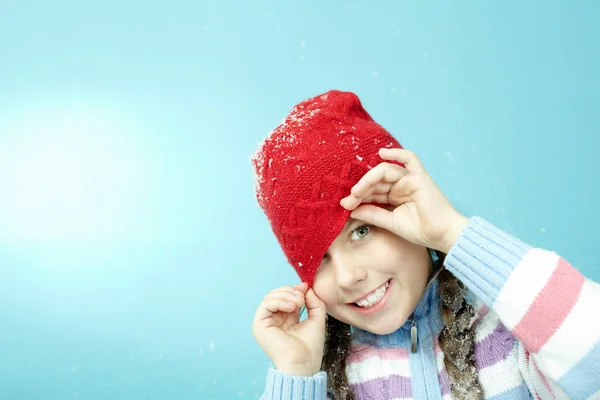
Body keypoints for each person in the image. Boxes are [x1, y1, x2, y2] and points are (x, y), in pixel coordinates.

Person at [250, 90, 600, 400]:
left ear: (407, 209)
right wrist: (296, 373)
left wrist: (451, 231)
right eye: (319, 258)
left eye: (360, 231)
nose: (346, 277)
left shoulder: (514, 333)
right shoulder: (323, 383)